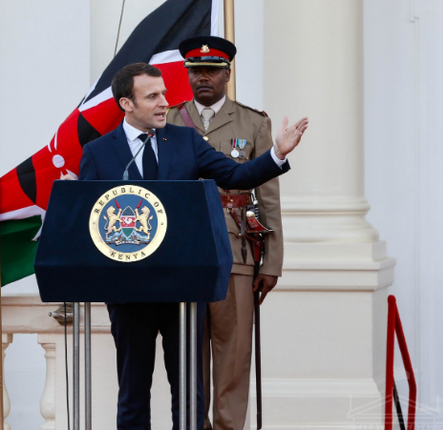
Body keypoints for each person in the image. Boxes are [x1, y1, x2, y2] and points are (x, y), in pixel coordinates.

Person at [78, 62, 307, 430]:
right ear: (126, 104)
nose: (163, 103)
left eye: (164, 94)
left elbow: (234, 175)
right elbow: (88, 222)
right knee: (132, 393)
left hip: (181, 288)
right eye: (152, 96)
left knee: (187, 394)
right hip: (128, 289)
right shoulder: (99, 153)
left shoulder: (183, 140)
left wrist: (277, 154)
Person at [165, 36, 302, 430]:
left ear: (228, 74)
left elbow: (268, 196)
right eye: (195, 72)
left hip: (236, 251)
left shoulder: (253, 122)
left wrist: (272, 260)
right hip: (183, 253)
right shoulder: (170, 120)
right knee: (188, 354)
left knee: (234, 353)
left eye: (211, 71)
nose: (203, 78)